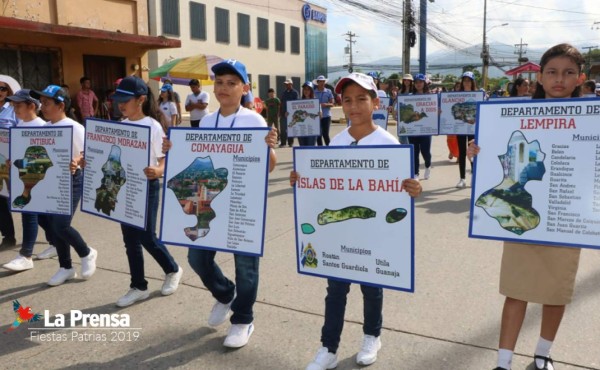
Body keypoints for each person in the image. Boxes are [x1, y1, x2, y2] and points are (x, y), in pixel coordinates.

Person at [290, 72, 422, 370]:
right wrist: (301, 177)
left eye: (362, 99)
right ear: (340, 104)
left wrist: (415, 188)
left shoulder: (388, 143)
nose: (354, 106)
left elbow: (406, 185)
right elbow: (323, 183)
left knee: (371, 288)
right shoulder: (337, 141)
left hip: (373, 232)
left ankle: (372, 335)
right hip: (340, 233)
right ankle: (328, 347)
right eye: (347, 100)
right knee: (335, 290)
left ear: (376, 102)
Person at [469, 43, 585, 370]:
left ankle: (542, 356)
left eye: (568, 73)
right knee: (517, 290)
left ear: (580, 78)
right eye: (552, 72)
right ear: (540, 77)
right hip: (522, 217)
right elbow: (498, 168)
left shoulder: (594, 120)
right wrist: (478, 152)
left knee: (555, 292)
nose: (559, 79)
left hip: (566, 219)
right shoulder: (514, 116)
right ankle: (503, 363)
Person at [175, 59, 277, 348]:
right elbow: (193, 159)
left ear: (244, 88)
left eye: (232, 83)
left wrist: (269, 148)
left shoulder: (253, 120)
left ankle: (243, 319)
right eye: (219, 82)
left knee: (245, 266)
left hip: (243, 203)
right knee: (197, 258)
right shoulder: (207, 120)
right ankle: (224, 294)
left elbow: (268, 166)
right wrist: (174, 151)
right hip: (208, 201)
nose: (224, 88)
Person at [107, 76, 183, 307]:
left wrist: (157, 171)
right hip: (124, 188)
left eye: (125, 100)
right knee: (130, 239)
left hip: (147, 187)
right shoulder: (120, 125)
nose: (121, 105)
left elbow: (164, 160)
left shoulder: (153, 125)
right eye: (118, 100)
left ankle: (172, 269)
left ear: (140, 99)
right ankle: (138, 286)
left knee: (147, 236)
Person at [30, 85, 97, 286]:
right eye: (42, 103)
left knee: (61, 224)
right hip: (50, 180)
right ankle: (66, 267)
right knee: (52, 224)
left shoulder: (75, 127)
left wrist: (76, 160)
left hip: (71, 180)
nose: (43, 107)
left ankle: (86, 253)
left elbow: (88, 152)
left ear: (61, 105)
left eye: (47, 103)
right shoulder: (45, 128)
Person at [2, 89, 54, 271]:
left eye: (18, 105)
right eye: (13, 105)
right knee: (40, 216)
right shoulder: (19, 127)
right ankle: (57, 241)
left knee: (29, 213)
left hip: (37, 178)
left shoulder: (44, 127)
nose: (14, 109)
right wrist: (12, 161)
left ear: (32, 106)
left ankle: (26, 254)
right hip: (22, 175)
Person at [0, 74, 20, 249]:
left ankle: (54, 234)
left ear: (8, 91)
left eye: (2, 88)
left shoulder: (14, 110)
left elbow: (23, 133)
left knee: (25, 198)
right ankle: (8, 236)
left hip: (11, 161)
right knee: (0, 199)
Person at [455, 71, 477, 188]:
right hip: (461, 127)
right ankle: (462, 178)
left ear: (472, 82)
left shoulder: (478, 94)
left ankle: (474, 176)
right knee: (462, 152)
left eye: (469, 80)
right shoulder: (457, 96)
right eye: (465, 80)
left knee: (472, 153)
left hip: (473, 129)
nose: (466, 82)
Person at [409, 73, 432, 180]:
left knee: (425, 152)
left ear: (424, 83)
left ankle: (428, 166)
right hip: (412, 130)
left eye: (420, 82)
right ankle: (416, 173)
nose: (418, 84)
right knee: (414, 153)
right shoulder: (409, 97)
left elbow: (434, 111)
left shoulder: (430, 96)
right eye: (416, 82)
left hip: (425, 130)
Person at [313, 75, 334, 146]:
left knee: (325, 134)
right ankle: (320, 150)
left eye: (323, 81)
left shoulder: (328, 91)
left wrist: (325, 105)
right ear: (317, 82)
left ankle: (329, 149)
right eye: (320, 81)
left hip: (326, 116)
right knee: (318, 135)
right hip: (317, 116)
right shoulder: (314, 92)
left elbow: (332, 103)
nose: (322, 83)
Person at [296, 81, 318, 147]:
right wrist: (288, 114)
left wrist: (319, 114)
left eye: (308, 89)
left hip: (312, 130)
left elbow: (320, 116)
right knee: (302, 150)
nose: (306, 91)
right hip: (301, 130)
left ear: (311, 91)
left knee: (310, 150)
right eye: (305, 89)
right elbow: (294, 114)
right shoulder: (298, 101)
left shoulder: (315, 102)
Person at [279, 78, 299, 147]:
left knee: (290, 128)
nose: (286, 85)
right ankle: (283, 143)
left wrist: (290, 112)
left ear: (291, 84)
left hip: (291, 114)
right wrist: (280, 112)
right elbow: (281, 103)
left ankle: (290, 143)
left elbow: (295, 104)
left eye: (288, 84)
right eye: (285, 84)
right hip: (283, 114)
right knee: (283, 129)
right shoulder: (283, 93)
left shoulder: (295, 93)